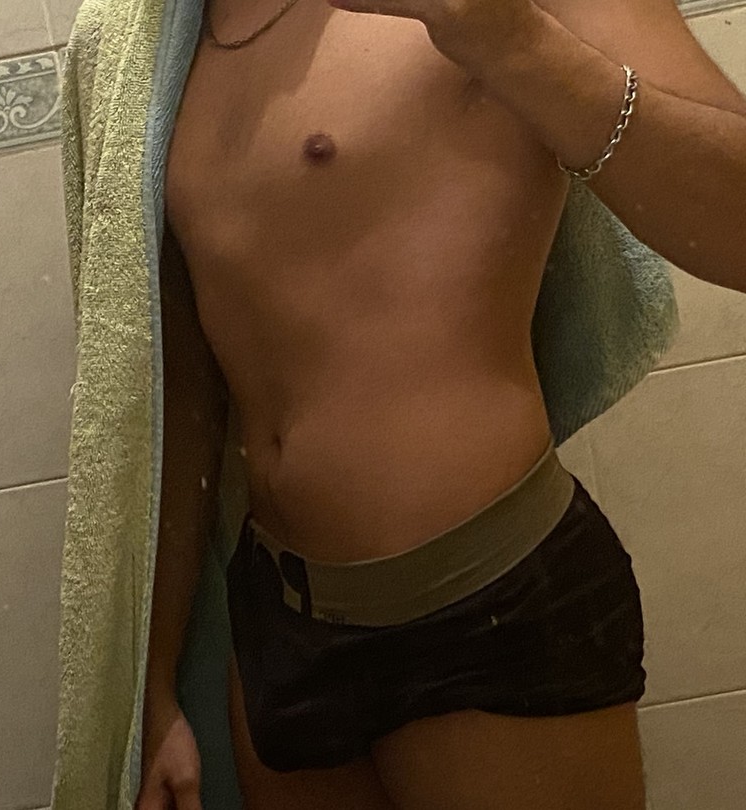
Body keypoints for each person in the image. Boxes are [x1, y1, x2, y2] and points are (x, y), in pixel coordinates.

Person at [111, 0, 746, 807]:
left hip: (483, 601)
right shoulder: (162, 35)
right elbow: (181, 386)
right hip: (277, 619)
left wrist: (511, 40)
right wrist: (156, 678)